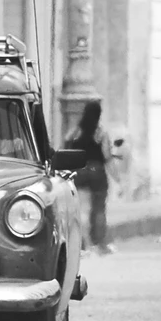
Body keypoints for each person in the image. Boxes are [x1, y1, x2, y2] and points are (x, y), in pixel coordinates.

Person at [66, 101, 118, 255]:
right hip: (97, 172)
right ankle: (99, 244)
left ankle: (83, 245)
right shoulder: (101, 133)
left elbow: (66, 147)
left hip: (79, 171)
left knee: (80, 210)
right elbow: (107, 156)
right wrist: (117, 178)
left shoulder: (75, 132)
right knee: (99, 209)